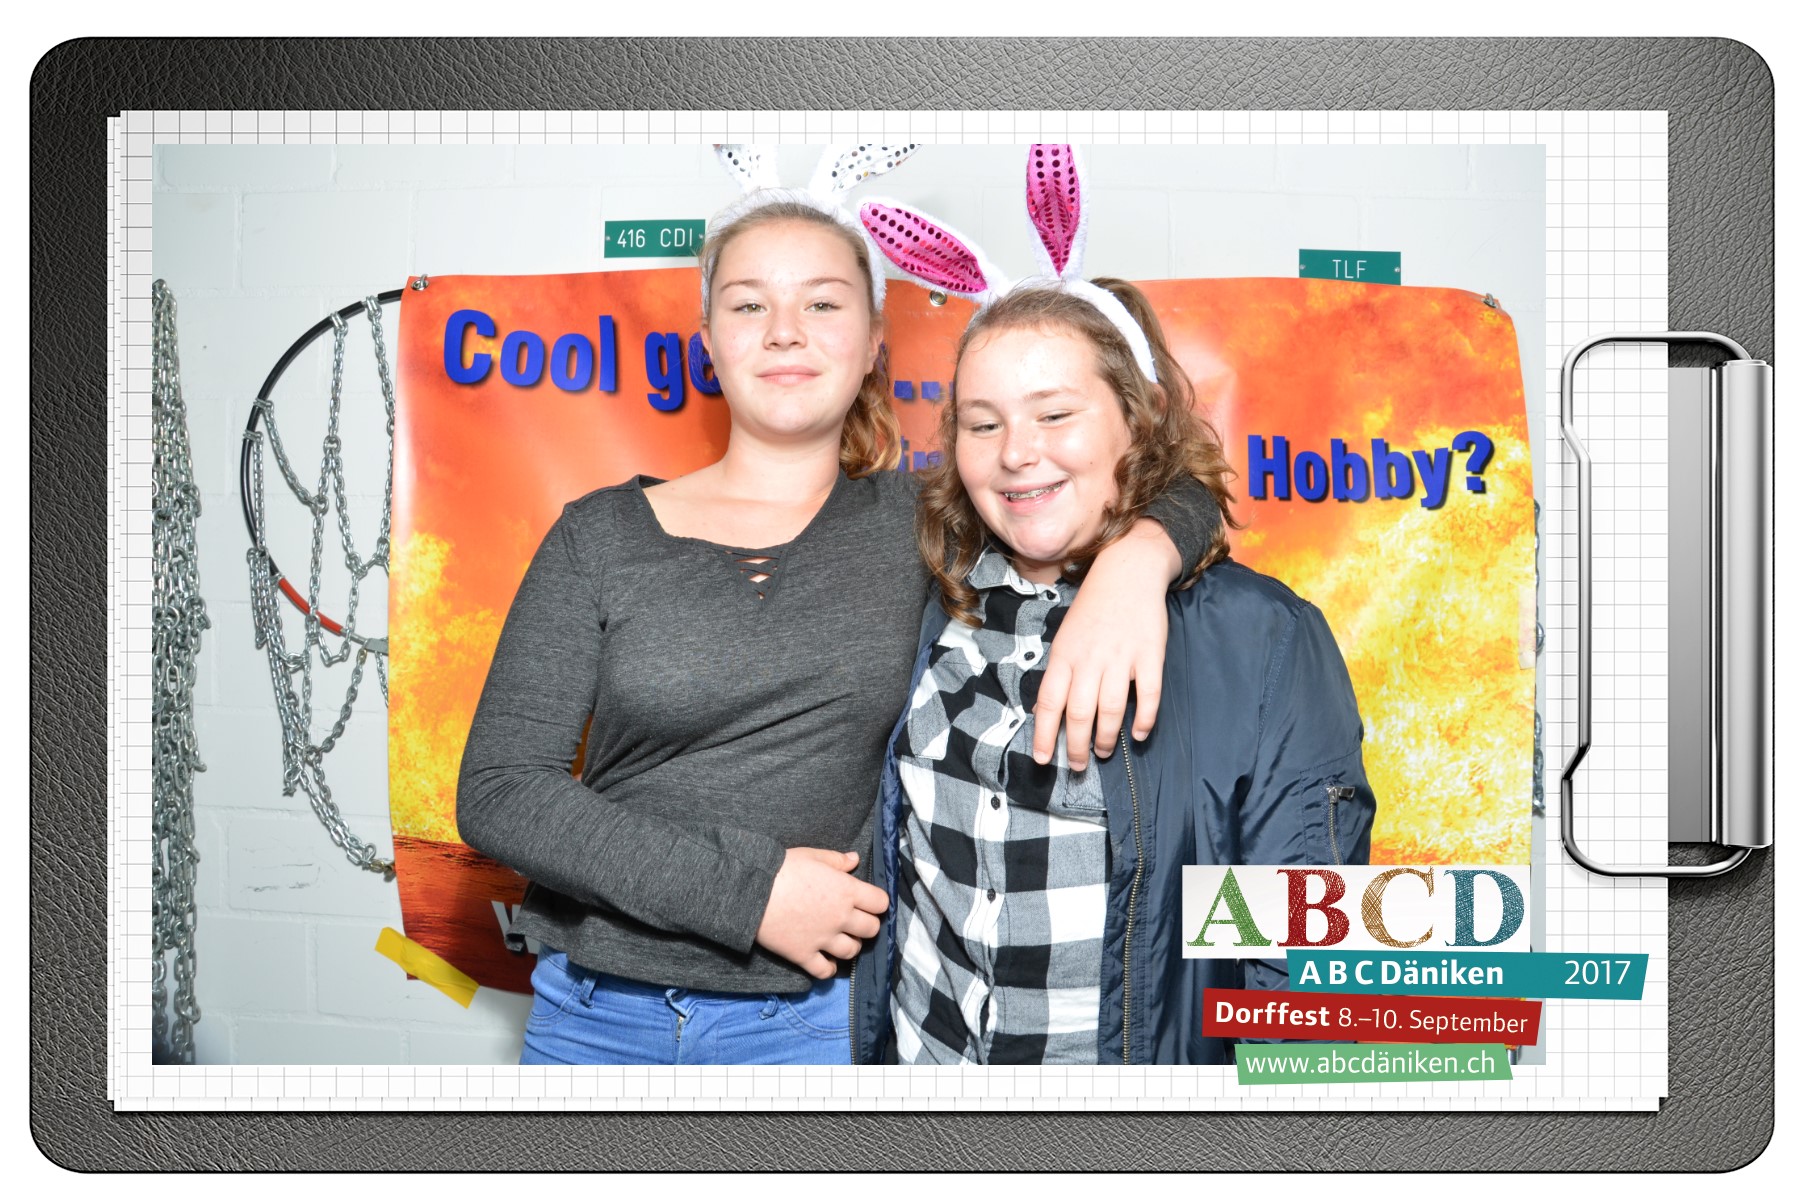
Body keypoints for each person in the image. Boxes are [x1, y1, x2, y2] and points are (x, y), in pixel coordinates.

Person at [455, 145, 1220, 1067]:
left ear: (873, 343)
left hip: (810, 1026)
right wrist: (749, 895)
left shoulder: (932, 522)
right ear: (708, 339)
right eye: (749, 304)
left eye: (822, 303)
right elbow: (501, 793)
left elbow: (1157, 477)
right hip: (592, 1017)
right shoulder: (599, 535)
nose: (785, 332)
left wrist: (1139, 560)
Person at [858, 277, 1376, 1066]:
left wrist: (1141, 557)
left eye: (1055, 414)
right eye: (982, 423)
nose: (1015, 453)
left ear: (1140, 418)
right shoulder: (925, 589)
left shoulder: (1262, 641)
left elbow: (1301, 971)